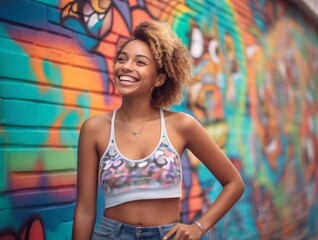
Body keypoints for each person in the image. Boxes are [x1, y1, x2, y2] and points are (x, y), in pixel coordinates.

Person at [72, 20, 245, 240]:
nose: (126, 67)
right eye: (122, 59)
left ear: (160, 78)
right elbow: (85, 210)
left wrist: (198, 227)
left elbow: (234, 183)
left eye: (140, 62)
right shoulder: (94, 129)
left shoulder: (182, 126)